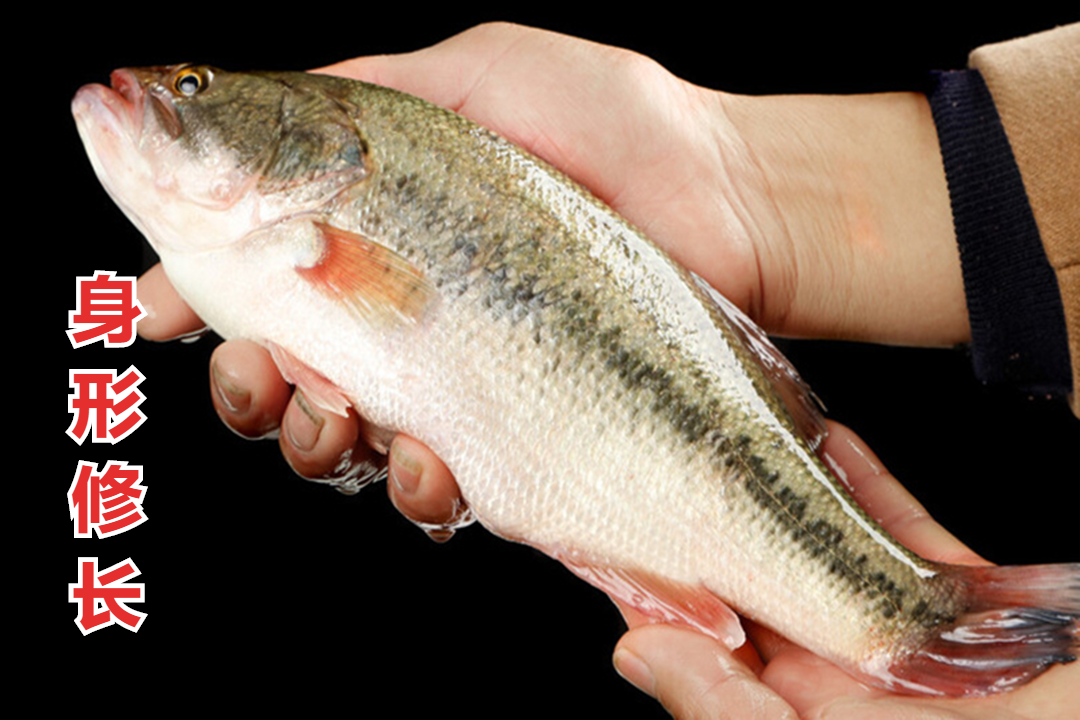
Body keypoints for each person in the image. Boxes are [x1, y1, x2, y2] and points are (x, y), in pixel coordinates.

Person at [133, 23, 1078, 719]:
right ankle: (910, 617)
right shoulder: (273, 232)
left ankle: (904, 616)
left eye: (190, 82)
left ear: (309, 128)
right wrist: (750, 186)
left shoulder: (322, 200)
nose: (157, 90)